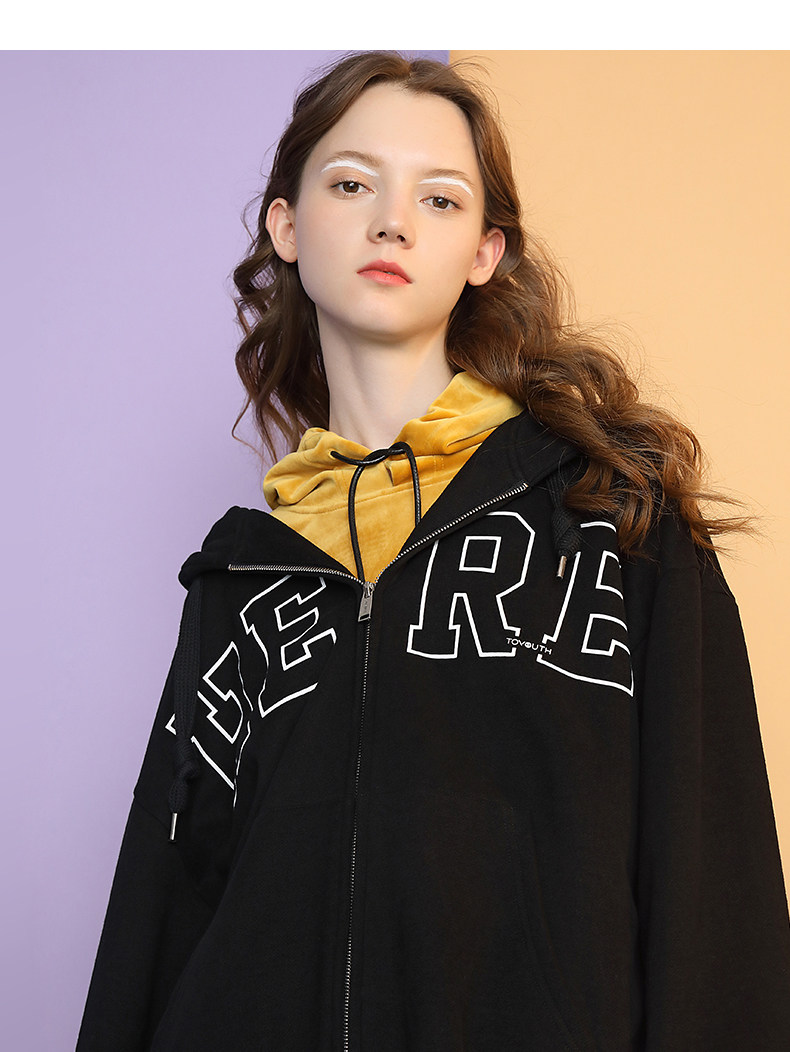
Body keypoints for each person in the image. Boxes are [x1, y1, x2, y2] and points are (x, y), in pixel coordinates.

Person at [77, 51, 790, 1051]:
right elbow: (156, 927)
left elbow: (716, 896)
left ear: (484, 252)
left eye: (440, 198)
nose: (392, 222)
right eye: (351, 184)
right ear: (286, 226)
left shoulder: (614, 519)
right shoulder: (242, 580)